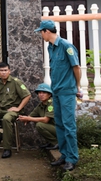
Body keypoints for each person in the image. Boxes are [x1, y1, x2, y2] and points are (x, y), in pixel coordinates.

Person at [36, 20, 82, 172]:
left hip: (67, 92)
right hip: (56, 91)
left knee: (69, 126)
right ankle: (64, 154)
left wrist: (78, 86)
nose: (41, 35)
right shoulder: (51, 47)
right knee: (60, 124)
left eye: (41, 32)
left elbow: (76, 67)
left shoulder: (66, 46)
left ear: (47, 31)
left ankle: (72, 158)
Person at [0, 62, 31, 158]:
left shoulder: (16, 82)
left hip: (13, 110)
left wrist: (18, 108)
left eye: (6, 70)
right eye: (1, 71)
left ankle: (7, 149)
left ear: (9, 71)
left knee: (6, 119)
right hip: (1, 109)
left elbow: (27, 95)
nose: (4, 73)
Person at [18, 83, 58, 149]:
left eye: (44, 93)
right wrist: (22, 118)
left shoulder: (51, 103)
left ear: (49, 94)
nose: (41, 95)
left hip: (59, 129)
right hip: (52, 128)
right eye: (39, 93)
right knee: (39, 124)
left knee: (39, 125)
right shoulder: (41, 105)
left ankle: (56, 142)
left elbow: (46, 120)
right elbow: (31, 115)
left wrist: (29, 119)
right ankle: (51, 142)